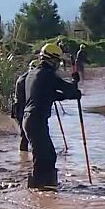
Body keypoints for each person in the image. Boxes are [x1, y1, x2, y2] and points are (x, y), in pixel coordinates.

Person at [23, 43, 82, 190]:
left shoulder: (34, 74)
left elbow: (51, 95)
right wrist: (75, 80)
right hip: (35, 120)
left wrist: (71, 95)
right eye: (57, 61)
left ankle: (47, 189)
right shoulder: (47, 74)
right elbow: (68, 89)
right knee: (43, 156)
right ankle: (37, 190)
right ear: (51, 60)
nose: (58, 65)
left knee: (49, 155)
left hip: (32, 119)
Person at [11, 59, 39, 152]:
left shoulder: (26, 77)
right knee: (25, 135)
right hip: (21, 108)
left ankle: (24, 157)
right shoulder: (26, 79)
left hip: (19, 107)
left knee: (25, 134)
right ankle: (24, 157)